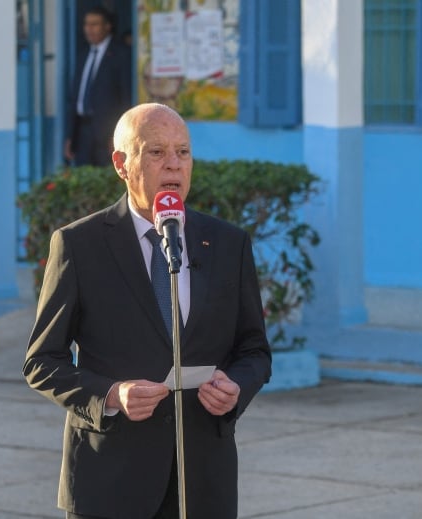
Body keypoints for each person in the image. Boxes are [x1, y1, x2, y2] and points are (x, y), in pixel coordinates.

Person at [24, 103, 272, 519]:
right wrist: (110, 395)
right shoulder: (79, 245)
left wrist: (237, 387)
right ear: (122, 163)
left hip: (203, 480)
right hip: (111, 478)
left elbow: (254, 350)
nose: (174, 166)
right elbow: (42, 362)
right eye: (157, 152)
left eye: (183, 152)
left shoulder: (228, 243)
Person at [64, 6, 132, 167]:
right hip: (82, 133)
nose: (89, 29)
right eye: (87, 25)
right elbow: (74, 99)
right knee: (83, 179)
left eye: (95, 24)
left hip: (107, 133)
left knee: (108, 179)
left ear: (107, 26)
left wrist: (118, 135)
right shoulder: (82, 56)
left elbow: (125, 98)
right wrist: (69, 137)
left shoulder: (121, 55)